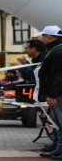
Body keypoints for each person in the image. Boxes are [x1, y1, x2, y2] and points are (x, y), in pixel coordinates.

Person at [37, 25, 62, 160]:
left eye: (43, 36)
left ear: (50, 37)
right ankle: (58, 149)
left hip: (58, 93)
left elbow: (58, 75)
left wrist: (52, 94)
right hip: (56, 92)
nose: (42, 38)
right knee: (57, 122)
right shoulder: (55, 50)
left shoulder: (58, 51)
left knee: (60, 122)